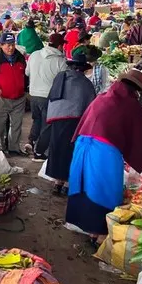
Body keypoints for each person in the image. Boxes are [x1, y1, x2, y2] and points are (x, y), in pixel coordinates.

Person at [67, 70, 142, 242]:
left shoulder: (102, 97)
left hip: (83, 145)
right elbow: (140, 136)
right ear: (135, 90)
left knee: (84, 186)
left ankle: (90, 230)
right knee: (105, 190)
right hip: (103, 150)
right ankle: (101, 236)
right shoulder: (131, 104)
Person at [42, 52, 96, 192]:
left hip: (57, 117)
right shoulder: (86, 83)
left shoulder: (60, 77)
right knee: (71, 151)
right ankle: (67, 183)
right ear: (84, 69)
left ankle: (57, 181)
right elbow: (91, 105)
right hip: (75, 120)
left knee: (57, 148)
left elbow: (51, 97)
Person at [0, 32, 27, 155]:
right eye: (7, 45)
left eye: (12, 44)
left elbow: (25, 74)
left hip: (18, 98)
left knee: (16, 125)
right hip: (0, 98)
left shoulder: (20, 57)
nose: (11, 47)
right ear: (1, 45)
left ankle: (14, 148)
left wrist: (24, 89)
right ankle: (0, 148)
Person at [26, 32, 68, 159]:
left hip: (33, 95)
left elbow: (27, 73)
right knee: (47, 126)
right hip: (48, 97)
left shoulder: (34, 55)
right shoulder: (61, 61)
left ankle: (31, 141)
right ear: (59, 46)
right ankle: (39, 153)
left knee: (37, 119)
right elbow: (64, 80)